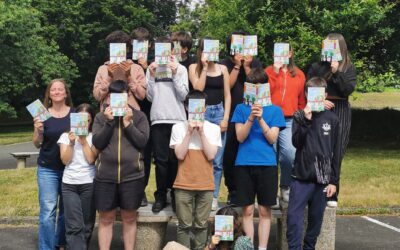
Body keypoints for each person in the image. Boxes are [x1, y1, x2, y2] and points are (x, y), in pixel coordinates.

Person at [231, 68, 285, 250]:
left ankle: (262, 247)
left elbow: (272, 138)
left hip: (267, 164)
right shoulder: (240, 108)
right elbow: (240, 137)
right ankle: (248, 247)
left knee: (264, 210)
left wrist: (261, 119)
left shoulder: (275, 111)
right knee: (246, 210)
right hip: (244, 163)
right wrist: (250, 118)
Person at [92, 80, 149, 249]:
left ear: (128, 96)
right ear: (109, 97)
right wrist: (109, 122)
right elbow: (98, 142)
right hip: (105, 176)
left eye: (123, 95)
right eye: (114, 95)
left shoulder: (139, 116)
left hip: (132, 176)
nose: (118, 99)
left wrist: (128, 123)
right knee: (105, 219)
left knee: (130, 218)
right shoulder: (100, 117)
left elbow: (142, 142)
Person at [286, 77, 340, 250]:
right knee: (294, 219)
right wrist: (306, 120)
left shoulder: (332, 119)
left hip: (322, 180)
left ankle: (309, 247)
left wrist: (334, 181)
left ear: (325, 95)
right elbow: (297, 143)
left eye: (320, 94)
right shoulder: (299, 115)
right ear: (307, 95)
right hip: (301, 177)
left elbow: (336, 153)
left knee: (315, 222)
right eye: (312, 94)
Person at [306, 33, 357, 207]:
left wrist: (336, 71)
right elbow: (309, 86)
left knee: (337, 150)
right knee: (318, 147)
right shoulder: (317, 66)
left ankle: (332, 192)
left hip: (340, 108)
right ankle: (313, 189)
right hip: (320, 108)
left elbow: (347, 90)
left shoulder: (348, 67)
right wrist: (319, 100)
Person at [170, 90, 221, 250]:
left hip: (205, 184)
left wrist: (202, 132)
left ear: (204, 108)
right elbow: (179, 154)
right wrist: (189, 132)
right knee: (183, 225)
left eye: (200, 107)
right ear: (186, 107)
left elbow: (212, 155)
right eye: (192, 107)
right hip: (183, 184)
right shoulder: (178, 127)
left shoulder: (213, 128)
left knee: (201, 225)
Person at [146, 36, 189, 213]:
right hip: (158, 119)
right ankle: (160, 195)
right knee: (161, 161)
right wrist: (150, 75)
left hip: (178, 120)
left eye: (167, 49)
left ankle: (175, 194)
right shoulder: (152, 69)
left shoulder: (181, 69)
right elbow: (149, 96)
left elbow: (183, 95)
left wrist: (175, 72)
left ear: (172, 50)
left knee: (175, 160)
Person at [221, 30, 263, 205]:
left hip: (252, 112)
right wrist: (238, 66)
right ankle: (233, 190)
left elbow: (255, 84)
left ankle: (249, 190)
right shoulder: (224, 64)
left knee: (249, 152)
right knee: (230, 154)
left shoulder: (256, 63)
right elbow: (227, 87)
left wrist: (247, 66)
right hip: (232, 113)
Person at [189, 38, 231, 211]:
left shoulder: (223, 69)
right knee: (198, 156)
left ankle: (213, 196)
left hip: (219, 112)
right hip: (200, 113)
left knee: (217, 160)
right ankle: (198, 195)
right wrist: (205, 67)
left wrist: (226, 118)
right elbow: (198, 88)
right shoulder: (194, 67)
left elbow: (227, 95)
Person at [33, 78, 73, 250]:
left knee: (66, 212)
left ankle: (60, 242)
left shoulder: (75, 113)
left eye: (60, 89)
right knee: (48, 212)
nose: (56, 92)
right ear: (49, 95)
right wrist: (38, 131)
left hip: (69, 168)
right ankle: (47, 247)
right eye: (53, 90)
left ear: (65, 93)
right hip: (47, 168)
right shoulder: (42, 114)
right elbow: (36, 143)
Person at [265, 43, 306, 203]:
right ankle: (271, 192)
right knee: (270, 156)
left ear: (290, 54)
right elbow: (266, 91)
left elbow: (301, 98)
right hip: (269, 118)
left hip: (289, 120)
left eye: (284, 52)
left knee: (289, 155)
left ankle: (285, 186)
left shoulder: (299, 74)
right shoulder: (268, 72)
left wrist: (301, 116)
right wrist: (275, 72)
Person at [58, 103, 97, 250]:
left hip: (88, 183)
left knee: (87, 225)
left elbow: (91, 159)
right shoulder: (65, 136)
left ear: (91, 121)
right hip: (69, 184)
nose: (84, 122)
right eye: (80, 118)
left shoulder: (94, 137)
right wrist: (72, 143)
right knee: (74, 225)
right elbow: (65, 160)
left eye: (87, 119)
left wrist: (83, 140)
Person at [93, 30, 146, 111]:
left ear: (127, 48)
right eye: (114, 47)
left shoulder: (136, 68)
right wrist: (109, 77)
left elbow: (141, 96)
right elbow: (97, 96)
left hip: (130, 113)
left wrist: (129, 76)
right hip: (108, 113)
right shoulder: (102, 68)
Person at [131, 26, 153, 207]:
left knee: (146, 154)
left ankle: (142, 190)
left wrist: (146, 68)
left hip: (150, 114)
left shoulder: (155, 62)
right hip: (132, 114)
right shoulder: (124, 62)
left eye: (143, 44)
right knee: (132, 153)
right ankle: (134, 189)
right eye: (137, 44)